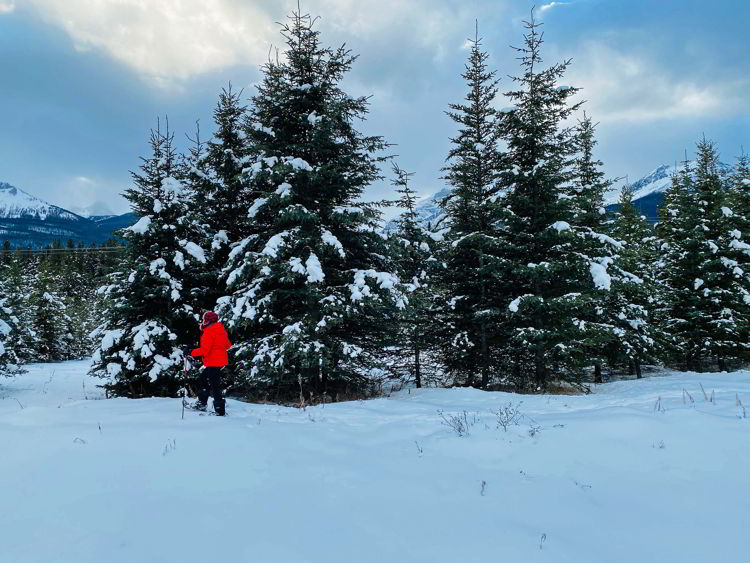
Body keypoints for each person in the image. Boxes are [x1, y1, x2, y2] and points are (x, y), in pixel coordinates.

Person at [190, 311, 232, 416]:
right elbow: (228, 345)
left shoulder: (209, 331)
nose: (203, 321)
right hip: (218, 361)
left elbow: (205, 350)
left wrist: (191, 352)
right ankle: (202, 403)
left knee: (214, 385)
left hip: (213, 361)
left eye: (204, 319)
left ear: (207, 320)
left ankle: (219, 410)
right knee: (204, 379)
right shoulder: (221, 329)